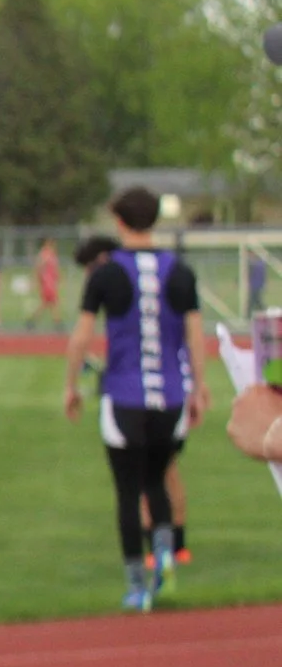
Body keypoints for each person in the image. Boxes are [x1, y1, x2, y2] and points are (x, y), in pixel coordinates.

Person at [64, 188, 209, 611]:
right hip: (170, 395)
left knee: (128, 493)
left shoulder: (106, 274)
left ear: (119, 221)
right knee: (157, 480)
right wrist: (200, 387)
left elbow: (81, 337)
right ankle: (164, 553)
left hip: (125, 394)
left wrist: (70, 385)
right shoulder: (180, 271)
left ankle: (135, 585)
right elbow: (195, 335)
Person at [32, 237, 62, 331]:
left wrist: (58, 278)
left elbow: (56, 269)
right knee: (52, 302)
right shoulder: (44, 254)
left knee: (47, 303)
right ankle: (58, 323)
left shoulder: (53, 255)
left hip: (52, 281)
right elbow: (39, 267)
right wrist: (38, 280)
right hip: (47, 282)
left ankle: (32, 321)